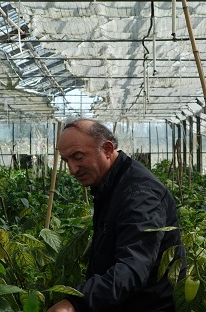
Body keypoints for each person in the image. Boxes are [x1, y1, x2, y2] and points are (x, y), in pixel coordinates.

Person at [47, 118, 185, 312]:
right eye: (66, 161)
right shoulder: (112, 184)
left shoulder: (140, 195)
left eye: (77, 157)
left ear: (107, 150)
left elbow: (133, 268)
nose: (72, 169)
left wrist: (76, 303)